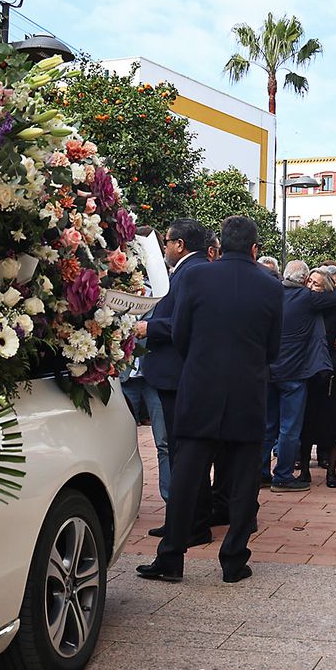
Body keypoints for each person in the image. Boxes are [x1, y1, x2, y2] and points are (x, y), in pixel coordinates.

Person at [138, 216, 283, 584]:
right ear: (254, 249)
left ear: (221, 244)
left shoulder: (198, 277)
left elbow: (180, 333)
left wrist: (202, 361)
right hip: (247, 390)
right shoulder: (270, 285)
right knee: (243, 479)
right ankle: (233, 559)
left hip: (200, 387)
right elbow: (273, 348)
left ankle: (171, 557)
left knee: (187, 475)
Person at [136, 219, 212, 541]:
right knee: (184, 451)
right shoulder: (188, 271)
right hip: (177, 373)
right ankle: (192, 519)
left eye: (167, 241)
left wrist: (148, 328)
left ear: (179, 244)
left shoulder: (188, 273)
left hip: (176, 374)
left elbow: (182, 324)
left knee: (182, 452)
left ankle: (189, 524)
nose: (164, 247)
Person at [266, 260, 336, 492]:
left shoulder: (273, 294)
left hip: (270, 370)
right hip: (294, 373)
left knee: (268, 425)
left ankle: (261, 472)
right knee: (289, 428)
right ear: (302, 280)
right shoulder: (306, 298)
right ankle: (282, 476)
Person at [299, 269, 336, 489]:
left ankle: (331, 471)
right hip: (308, 373)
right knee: (306, 424)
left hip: (333, 376)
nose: (311, 286)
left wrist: (334, 360)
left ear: (326, 290)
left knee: (334, 424)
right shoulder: (304, 307)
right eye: (309, 281)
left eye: (317, 284)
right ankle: (304, 470)